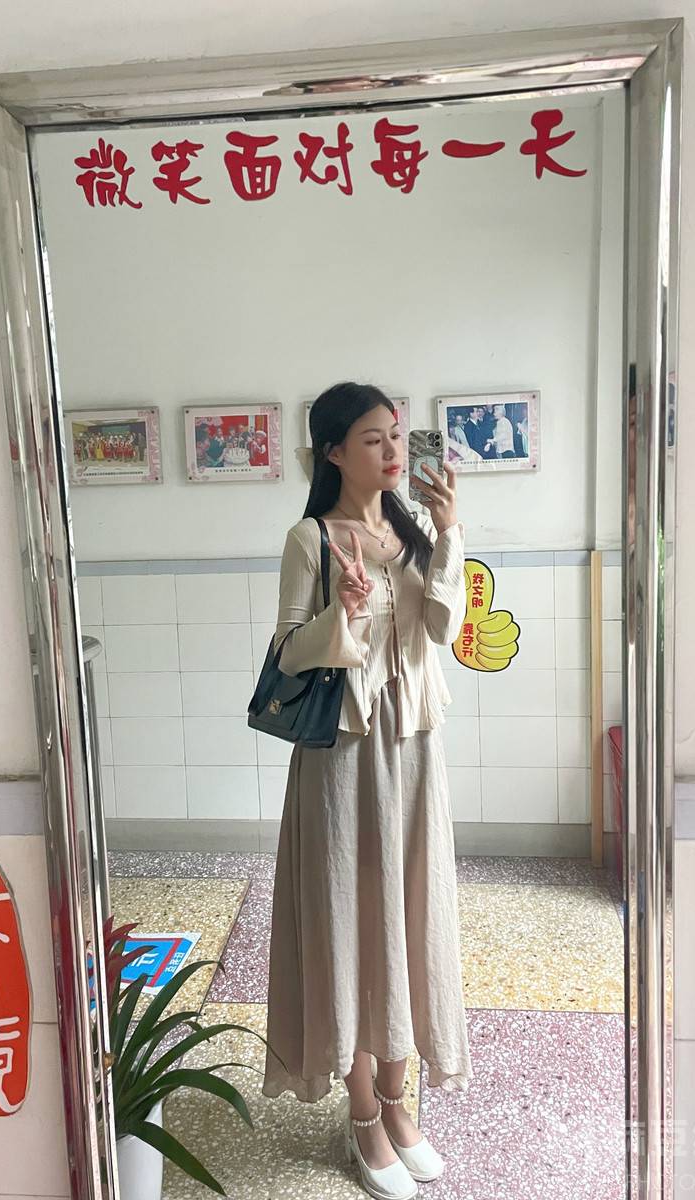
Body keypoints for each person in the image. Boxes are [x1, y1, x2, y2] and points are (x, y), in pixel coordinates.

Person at [261, 381, 472, 1198]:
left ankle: (396, 1100)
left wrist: (448, 536)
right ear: (334, 452)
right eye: (374, 438)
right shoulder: (309, 538)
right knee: (346, 922)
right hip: (341, 758)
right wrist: (342, 613)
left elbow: (442, 630)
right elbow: (287, 652)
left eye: (396, 436)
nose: (392, 451)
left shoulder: (413, 531)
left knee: (409, 916)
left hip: (414, 752)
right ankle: (361, 1117)